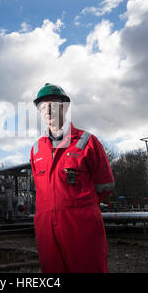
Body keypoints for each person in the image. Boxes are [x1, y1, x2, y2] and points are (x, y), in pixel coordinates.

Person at [30, 83, 115, 273]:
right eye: (42, 106)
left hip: (80, 224)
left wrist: (77, 205)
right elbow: (41, 189)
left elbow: (105, 185)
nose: (47, 110)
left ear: (65, 107)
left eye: (53, 104)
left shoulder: (87, 141)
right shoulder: (36, 149)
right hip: (46, 227)